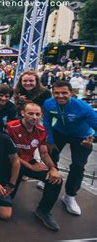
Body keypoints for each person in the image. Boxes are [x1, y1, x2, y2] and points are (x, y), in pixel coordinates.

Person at [43, 80, 97, 216]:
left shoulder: (84, 107)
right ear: (52, 93)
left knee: (78, 166)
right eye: (56, 93)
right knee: (50, 156)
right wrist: (49, 140)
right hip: (60, 132)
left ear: (71, 93)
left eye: (64, 93)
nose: (60, 96)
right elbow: (47, 121)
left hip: (82, 137)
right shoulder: (48, 103)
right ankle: (49, 180)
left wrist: (92, 138)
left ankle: (70, 196)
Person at [6, 103, 63, 231]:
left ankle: (43, 211)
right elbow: (11, 154)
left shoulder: (42, 130)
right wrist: (31, 168)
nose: (34, 117)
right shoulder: (11, 127)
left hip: (28, 162)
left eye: (37, 114)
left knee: (56, 180)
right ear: (22, 113)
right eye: (30, 113)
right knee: (7, 199)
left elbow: (43, 153)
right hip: (10, 163)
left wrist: (53, 168)